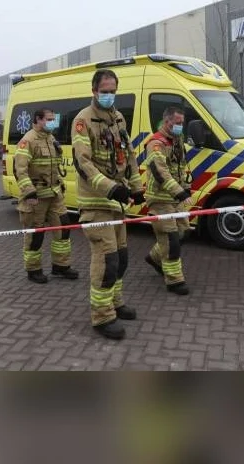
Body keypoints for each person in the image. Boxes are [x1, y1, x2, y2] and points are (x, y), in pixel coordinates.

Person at [72, 69, 145, 340]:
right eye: (104, 90)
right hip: (95, 204)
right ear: (94, 91)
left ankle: (115, 301)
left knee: (122, 258)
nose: (109, 95)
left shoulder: (118, 119)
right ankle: (101, 316)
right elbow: (83, 163)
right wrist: (110, 187)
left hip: (117, 205)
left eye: (113, 90)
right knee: (107, 259)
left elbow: (130, 155)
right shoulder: (83, 120)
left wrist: (136, 187)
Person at [12, 108, 79, 284]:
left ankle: (61, 266)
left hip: (54, 194)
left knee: (63, 228)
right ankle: (33, 270)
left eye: (53, 119)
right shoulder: (28, 141)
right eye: (49, 119)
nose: (52, 123)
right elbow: (19, 169)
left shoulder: (50, 139)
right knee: (36, 235)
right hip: (36, 197)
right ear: (38, 120)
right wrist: (29, 192)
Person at [141, 106, 193, 295]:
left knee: (183, 232)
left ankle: (155, 258)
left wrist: (186, 187)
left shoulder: (177, 140)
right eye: (177, 123)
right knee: (170, 239)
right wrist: (180, 192)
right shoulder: (156, 143)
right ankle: (174, 280)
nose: (180, 126)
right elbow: (159, 170)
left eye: (182, 123)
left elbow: (181, 165)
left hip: (175, 197)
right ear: (167, 122)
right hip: (160, 199)